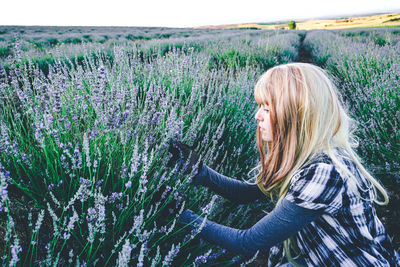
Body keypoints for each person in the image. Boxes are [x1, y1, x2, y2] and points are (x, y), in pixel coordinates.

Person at [167, 63, 400, 266]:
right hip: (319, 256)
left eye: (267, 109)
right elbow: (247, 194)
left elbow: (248, 242)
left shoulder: (324, 172)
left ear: (297, 116)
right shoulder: (304, 157)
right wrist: (200, 172)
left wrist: (180, 215)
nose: (257, 116)